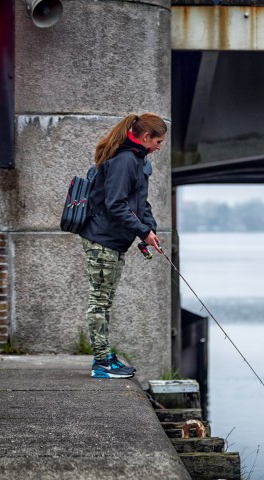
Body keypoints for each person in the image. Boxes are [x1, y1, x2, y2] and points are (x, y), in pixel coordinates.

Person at [79, 113, 167, 379]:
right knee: (99, 301)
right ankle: (102, 363)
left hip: (115, 240)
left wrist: (149, 229)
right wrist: (142, 231)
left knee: (105, 301)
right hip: (102, 239)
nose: (159, 147)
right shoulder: (124, 160)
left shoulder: (138, 160)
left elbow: (141, 203)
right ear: (145, 137)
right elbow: (115, 204)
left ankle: (105, 357)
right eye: (158, 141)